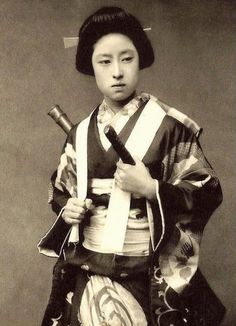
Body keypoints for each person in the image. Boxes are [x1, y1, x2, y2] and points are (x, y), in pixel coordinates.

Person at [38, 6, 225, 326]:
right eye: (104, 61)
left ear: (140, 60)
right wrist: (67, 208)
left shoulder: (169, 128)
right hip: (89, 274)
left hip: (146, 277)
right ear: (91, 67)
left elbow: (206, 188)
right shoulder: (80, 133)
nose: (117, 72)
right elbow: (61, 189)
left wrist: (153, 188)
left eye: (127, 58)